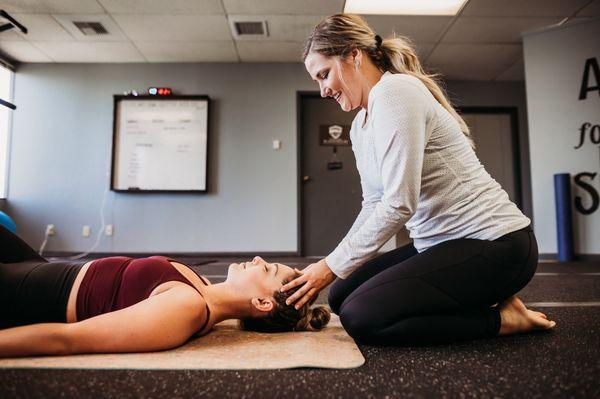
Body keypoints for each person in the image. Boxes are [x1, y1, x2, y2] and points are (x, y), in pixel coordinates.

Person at [282, 14, 556, 345]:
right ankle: (476, 295)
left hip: (497, 245)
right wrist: (334, 265)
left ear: (353, 54)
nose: (323, 90)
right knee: (340, 296)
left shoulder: (396, 92)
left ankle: (500, 320)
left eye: (324, 75)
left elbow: (400, 202)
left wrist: (326, 267)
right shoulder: (360, 126)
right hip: (439, 245)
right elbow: (373, 203)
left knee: (361, 317)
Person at [0, 225, 330, 358]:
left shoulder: (187, 309)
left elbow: (67, 339)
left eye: (268, 269)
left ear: (261, 303)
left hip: (28, 293)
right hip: (39, 268)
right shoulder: (199, 288)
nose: (259, 259)